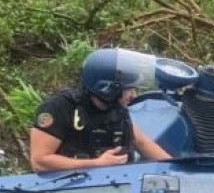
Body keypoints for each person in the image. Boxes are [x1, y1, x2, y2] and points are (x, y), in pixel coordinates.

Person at [30, 49, 170, 172]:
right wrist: (96, 164)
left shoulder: (116, 107)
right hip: (69, 189)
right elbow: (40, 162)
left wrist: (173, 167)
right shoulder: (60, 107)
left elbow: (141, 142)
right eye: (129, 89)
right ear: (108, 89)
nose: (134, 95)